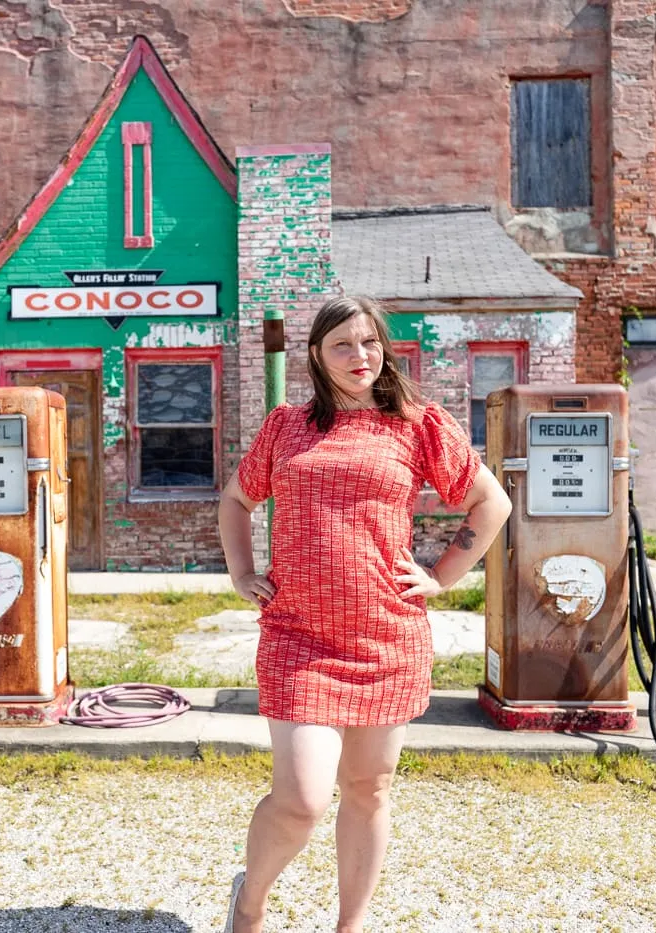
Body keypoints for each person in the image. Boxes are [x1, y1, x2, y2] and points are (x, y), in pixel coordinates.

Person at [217, 295, 513, 933]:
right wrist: (242, 572)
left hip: (386, 638)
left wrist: (439, 576)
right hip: (299, 638)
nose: (360, 357)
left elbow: (490, 504)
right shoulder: (285, 427)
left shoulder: (417, 423)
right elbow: (236, 500)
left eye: (370, 342)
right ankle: (250, 902)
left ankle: (350, 927)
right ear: (317, 358)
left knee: (369, 790)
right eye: (343, 346)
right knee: (302, 799)